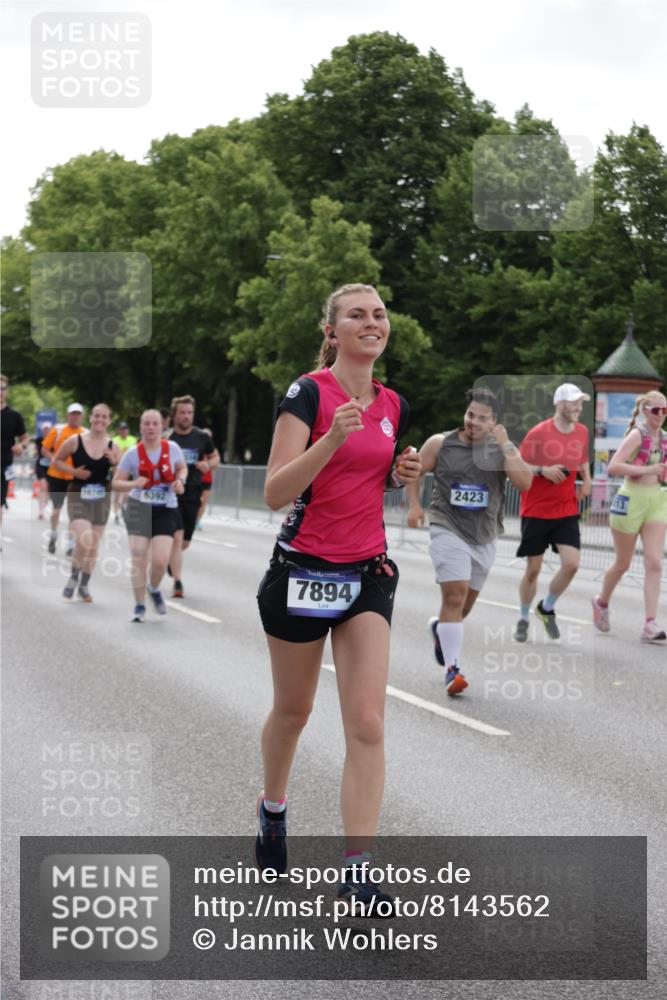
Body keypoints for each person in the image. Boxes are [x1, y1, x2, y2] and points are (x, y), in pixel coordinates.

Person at [254, 283, 421, 914]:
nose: (371, 322)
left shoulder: (393, 403)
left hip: (366, 573)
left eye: (379, 314)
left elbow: (369, 480)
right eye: (357, 314)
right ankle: (273, 810)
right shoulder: (308, 393)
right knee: (294, 712)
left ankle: (356, 870)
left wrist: (400, 473)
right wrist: (329, 441)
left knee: (368, 722)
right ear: (333, 331)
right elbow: (274, 492)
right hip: (302, 569)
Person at [406, 388, 532, 694]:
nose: (474, 422)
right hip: (447, 525)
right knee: (454, 596)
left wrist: (506, 445)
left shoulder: (502, 449)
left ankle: (441, 628)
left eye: (482, 418)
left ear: (495, 421)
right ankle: (453, 670)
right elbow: (413, 470)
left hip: (484, 534)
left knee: (462, 606)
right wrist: (414, 505)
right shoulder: (441, 443)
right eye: (470, 415)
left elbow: (525, 482)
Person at [513, 384, 592, 642]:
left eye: (581, 402)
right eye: (574, 403)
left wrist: (587, 479)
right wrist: (542, 470)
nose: (579, 407)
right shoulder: (539, 433)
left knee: (572, 565)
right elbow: (519, 463)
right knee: (533, 570)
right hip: (536, 509)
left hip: (566, 508)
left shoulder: (581, 431)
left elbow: (582, 458)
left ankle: (546, 607)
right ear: (559, 404)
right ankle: (524, 617)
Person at [592, 390, 667, 642]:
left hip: (657, 501)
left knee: (655, 563)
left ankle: (649, 623)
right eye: (657, 410)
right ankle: (601, 602)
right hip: (630, 500)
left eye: (665, 410)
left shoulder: (665, 438)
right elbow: (614, 466)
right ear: (645, 411)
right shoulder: (638, 435)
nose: (661, 415)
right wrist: (649, 469)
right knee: (623, 563)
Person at [113, 409, 187, 622]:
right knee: (138, 559)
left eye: (155, 423)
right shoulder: (132, 454)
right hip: (139, 507)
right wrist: (134, 483)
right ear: (141, 427)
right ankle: (138, 605)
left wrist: (180, 481)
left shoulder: (172, 448)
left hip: (166, 508)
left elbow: (182, 468)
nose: (151, 427)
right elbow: (116, 482)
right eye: (147, 424)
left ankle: (153, 588)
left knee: (161, 560)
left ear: (162, 426)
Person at [52, 403, 121, 602]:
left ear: (109, 421)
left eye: (104, 417)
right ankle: (73, 578)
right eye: (96, 416)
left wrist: (114, 462)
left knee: (93, 545)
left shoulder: (113, 446)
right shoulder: (75, 441)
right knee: (85, 538)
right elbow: (57, 460)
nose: (100, 420)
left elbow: (121, 475)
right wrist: (74, 472)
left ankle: (83, 585)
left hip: (102, 497)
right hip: (78, 495)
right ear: (90, 418)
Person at [168, 397, 220, 597]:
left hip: (193, 493)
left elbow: (215, 457)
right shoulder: (168, 437)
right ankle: (178, 582)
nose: (186, 416)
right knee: (176, 536)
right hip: (170, 494)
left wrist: (208, 464)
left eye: (189, 412)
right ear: (175, 415)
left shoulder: (201, 437)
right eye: (182, 412)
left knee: (185, 541)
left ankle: (172, 561)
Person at [40, 403, 86, 553]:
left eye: (78, 414)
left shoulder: (86, 433)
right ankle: (53, 533)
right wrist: (53, 458)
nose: (75, 416)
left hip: (76, 477)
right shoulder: (58, 430)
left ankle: (71, 543)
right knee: (56, 511)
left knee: (74, 512)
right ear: (68, 415)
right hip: (57, 475)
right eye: (72, 414)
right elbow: (45, 448)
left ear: (82, 416)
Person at [1, 375, 29, 518]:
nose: (0, 391)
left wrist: (21, 446)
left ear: (7, 391)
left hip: (3, 467)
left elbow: (25, 439)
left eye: (2, 388)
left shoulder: (14, 416)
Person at [111, 421, 138, 523]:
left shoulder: (133, 440)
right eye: (121, 429)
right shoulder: (114, 441)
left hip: (130, 470)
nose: (123, 431)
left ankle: (123, 505)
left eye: (125, 429)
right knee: (117, 493)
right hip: (116, 469)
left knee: (127, 493)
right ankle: (116, 514)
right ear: (119, 430)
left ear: (128, 430)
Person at [34, 421, 53, 519]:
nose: (46, 431)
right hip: (41, 465)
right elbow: (37, 453)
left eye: (48, 429)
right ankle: (41, 510)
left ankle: (45, 506)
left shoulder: (54, 440)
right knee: (43, 486)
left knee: (48, 489)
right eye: (44, 429)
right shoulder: (38, 440)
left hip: (51, 467)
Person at [196, 428, 214, 529]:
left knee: (203, 502)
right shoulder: (197, 447)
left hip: (207, 479)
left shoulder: (212, 450)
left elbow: (215, 462)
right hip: (196, 478)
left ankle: (197, 521)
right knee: (196, 500)